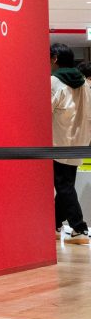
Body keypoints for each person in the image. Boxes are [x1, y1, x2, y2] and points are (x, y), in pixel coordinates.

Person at [50, 44, 91, 244]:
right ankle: (54, 225)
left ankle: (79, 228)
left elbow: (46, 109)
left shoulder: (54, 82)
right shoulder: (84, 83)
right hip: (80, 140)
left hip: (59, 140)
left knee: (63, 185)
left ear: (55, 58)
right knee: (67, 185)